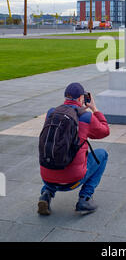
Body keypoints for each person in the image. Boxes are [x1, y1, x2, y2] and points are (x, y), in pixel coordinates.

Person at [37, 82, 110, 215]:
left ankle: (46, 194)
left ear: (65, 97)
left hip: (46, 177)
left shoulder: (51, 113)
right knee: (102, 154)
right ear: (82, 98)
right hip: (72, 181)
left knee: (54, 156)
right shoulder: (86, 117)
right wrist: (94, 108)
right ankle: (85, 198)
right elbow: (105, 131)